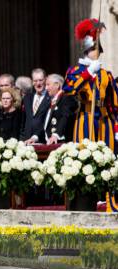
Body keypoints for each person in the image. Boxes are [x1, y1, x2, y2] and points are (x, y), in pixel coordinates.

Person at [63, 18, 118, 212]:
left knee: (109, 160)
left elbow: (114, 104)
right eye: (94, 50)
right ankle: (87, 199)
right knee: (86, 159)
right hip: (85, 118)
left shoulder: (106, 75)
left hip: (105, 121)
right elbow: (68, 88)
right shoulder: (76, 71)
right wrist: (87, 74)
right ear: (87, 51)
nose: (97, 53)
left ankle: (110, 200)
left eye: (99, 50)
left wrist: (117, 126)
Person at [40, 74, 78, 144]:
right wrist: (35, 136)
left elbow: (65, 117)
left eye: (48, 85)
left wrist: (56, 134)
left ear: (57, 85)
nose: (46, 88)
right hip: (48, 141)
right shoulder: (50, 100)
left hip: (60, 142)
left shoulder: (67, 98)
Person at [21, 68, 51, 142]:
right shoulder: (27, 98)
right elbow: (23, 120)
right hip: (27, 140)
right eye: (35, 81)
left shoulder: (51, 98)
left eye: (40, 80)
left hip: (43, 140)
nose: (38, 83)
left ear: (46, 80)